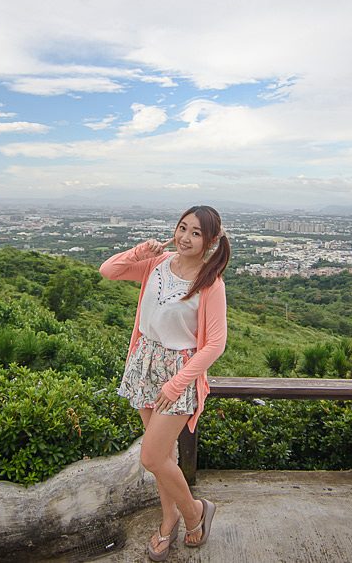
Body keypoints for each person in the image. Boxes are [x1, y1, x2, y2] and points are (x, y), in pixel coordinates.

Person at [99, 205, 231, 561]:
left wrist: (177, 384)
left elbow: (215, 344)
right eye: (182, 228)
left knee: (152, 456)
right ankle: (170, 517)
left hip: (179, 371)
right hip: (144, 361)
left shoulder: (210, 283)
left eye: (196, 233)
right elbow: (108, 271)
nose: (185, 238)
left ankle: (194, 513)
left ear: (211, 241)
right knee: (164, 458)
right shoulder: (158, 264)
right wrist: (138, 252)